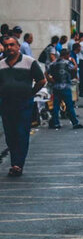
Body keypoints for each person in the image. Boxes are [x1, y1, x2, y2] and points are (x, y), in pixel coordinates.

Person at [0, 35, 47, 177]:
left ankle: (17, 164)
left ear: (18, 46)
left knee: (21, 132)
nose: (9, 48)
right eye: (6, 45)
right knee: (10, 134)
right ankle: (15, 161)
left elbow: (41, 80)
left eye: (12, 45)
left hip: (24, 103)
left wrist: (31, 93)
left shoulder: (29, 62)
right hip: (6, 103)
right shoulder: (1, 64)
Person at [47, 49, 83, 130]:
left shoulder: (53, 63)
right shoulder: (67, 63)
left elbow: (46, 72)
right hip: (66, 86)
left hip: (56, 87)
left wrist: (50, 80)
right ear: (66, 55)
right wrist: (74, 61)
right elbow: (74, 69)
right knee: (69, 105)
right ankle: (75, 122)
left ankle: (56, 122)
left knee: (56, 106)